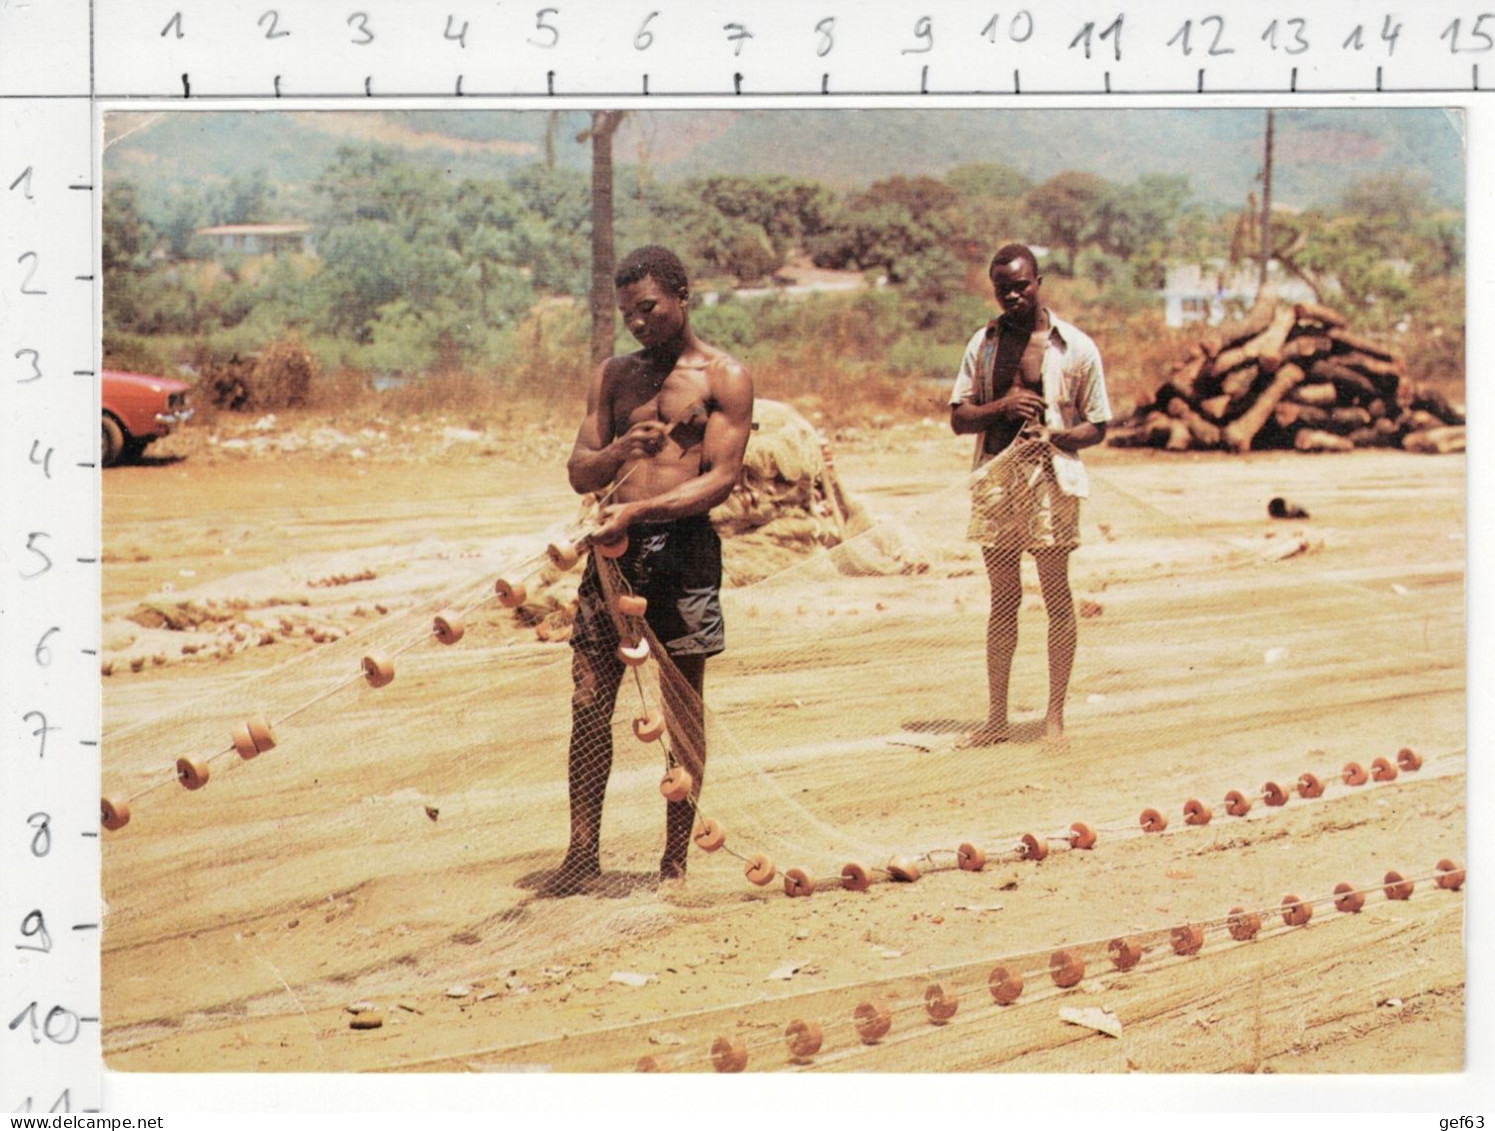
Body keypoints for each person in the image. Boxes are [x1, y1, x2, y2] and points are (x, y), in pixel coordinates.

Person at [558, 245, 754, 889]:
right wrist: (619, 449)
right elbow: (578, 471)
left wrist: (641, 515)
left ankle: (675, 862)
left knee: (682, 705)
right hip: (611, 560)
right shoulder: (613, 375)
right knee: (590, 704)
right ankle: (581, 856)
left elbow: (720, 480)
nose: (637, 324)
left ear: (681, 297)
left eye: (647, 309)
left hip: (683, 555)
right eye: (627, 314)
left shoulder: (722, 377)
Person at [949, 243, 1111, 746]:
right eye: (1003, 289)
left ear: (1039, 281)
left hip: (1050, 482)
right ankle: (997, 718)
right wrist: (1004, 405)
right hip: (997, 481)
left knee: (1057, 596)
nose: (1013, 296)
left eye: (1022, 286)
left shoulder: (1076, 348)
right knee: (1004, 599)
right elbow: (959, 417)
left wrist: (1056, 437)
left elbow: (1098, 426)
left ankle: (1053, 717)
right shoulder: (985, 343)